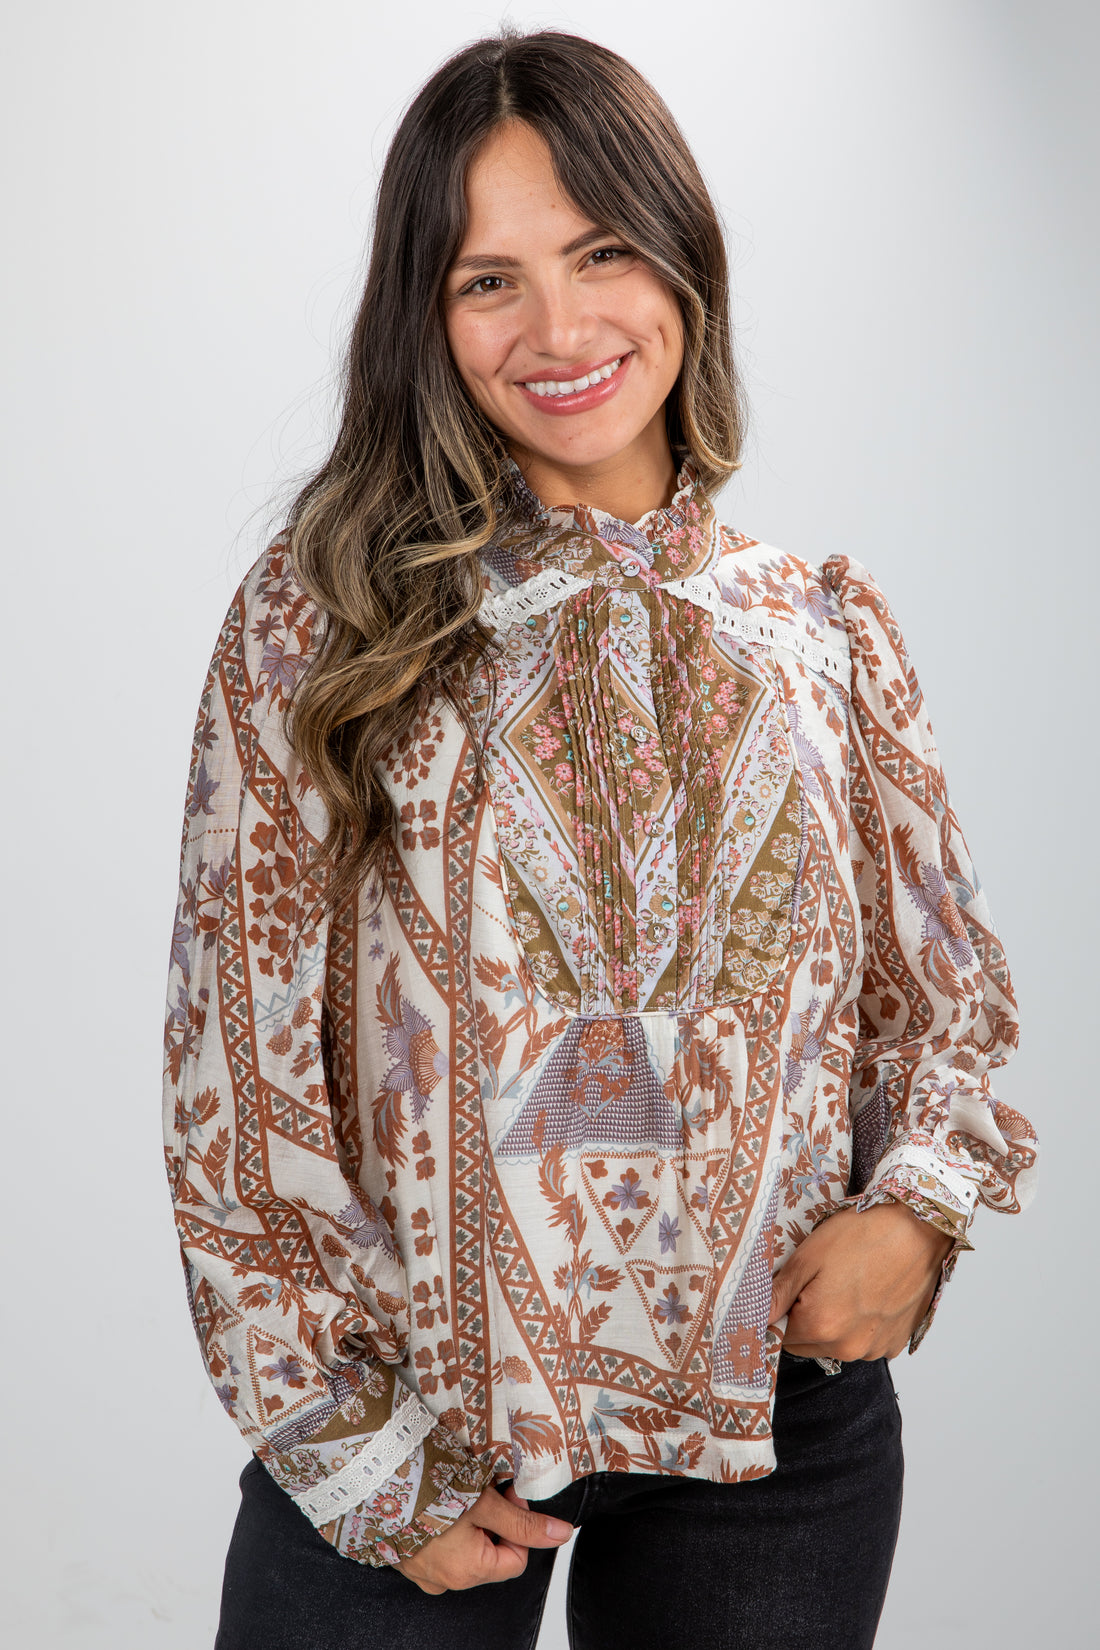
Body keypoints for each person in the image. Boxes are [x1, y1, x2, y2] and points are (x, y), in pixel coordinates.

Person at [162, 28, 1038, 1650]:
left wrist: (915, 1211)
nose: (559, 329)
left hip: (779, 1436)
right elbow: (237, 1072)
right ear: (424, 315)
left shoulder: (820, 630)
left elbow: (945, 1005)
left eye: (602, 252)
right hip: (421, 1418)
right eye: (487, 280)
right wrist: (361, 1454)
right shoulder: (327, 619)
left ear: (682, 259)